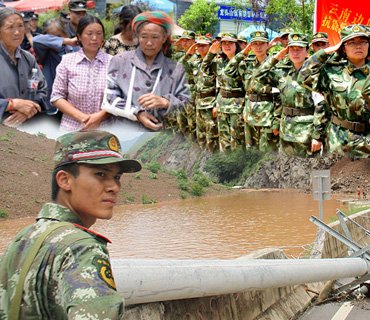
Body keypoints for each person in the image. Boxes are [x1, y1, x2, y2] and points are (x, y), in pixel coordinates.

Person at [0, 130, 142, 319]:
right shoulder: (80, 247)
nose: (114, 187)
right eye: (101, 174)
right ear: (64, 180)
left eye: (117, 177)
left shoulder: (25, 236)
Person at [102, 11, 191, 132]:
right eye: (144, 37)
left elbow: (188, 104)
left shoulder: (176, 68)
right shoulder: (120, 61)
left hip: (162, 138)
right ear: (138, 37)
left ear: (164, 38)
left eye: (155, 37)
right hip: (124, 133)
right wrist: (137, 113)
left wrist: (166, 102)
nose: (149, 43)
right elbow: (108, 99)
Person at [300, 24, 370, 158]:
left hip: (366, 141)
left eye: (363, 41)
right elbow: (304, 75)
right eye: (352, 42)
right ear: (343, 47)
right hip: (337, 140)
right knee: (333, 177)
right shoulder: (331, 72)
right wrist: (328, 51)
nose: (358, 46)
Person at [253, 33, 325, 157]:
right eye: (292, 49)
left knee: (310, 171)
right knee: (286, 171)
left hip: (306, 133)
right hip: (286, 131)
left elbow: (321, 106)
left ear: (307, 51)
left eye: (299, 49)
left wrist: (317, 136)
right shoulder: (281, 73)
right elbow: (258, 76)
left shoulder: (314, 73)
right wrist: (276, 57)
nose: (295, 53)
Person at [51, 15, 112, 131]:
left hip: (104, 128)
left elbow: (118, 97)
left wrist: (99, 117)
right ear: (79, 36)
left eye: (99, 33)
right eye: (89, 34)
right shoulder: (67, 61)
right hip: (72, 128)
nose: (94, 38)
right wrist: (84, 118)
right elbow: (57, 97)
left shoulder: (113, 62)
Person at [224, 30, 278, 152]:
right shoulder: (247, 64)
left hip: (267, 117)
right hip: (249, 115)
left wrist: (277, 121)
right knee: (250, 153)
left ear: (267, 45)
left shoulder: (275, 65)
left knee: (267, 154)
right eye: (255, 44)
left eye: (261, 43)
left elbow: (281, 95)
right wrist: (245, 52)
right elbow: (228, 70)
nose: (258, 47)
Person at [0, 8, 47, 127]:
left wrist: (28, 109)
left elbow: (42, 89)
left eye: (20, 26)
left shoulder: (28, 58)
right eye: (10, 27)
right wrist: (11, 104)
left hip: (27, 127)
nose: (17, 32)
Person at [201, 33, 243, 152]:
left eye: (230, 43)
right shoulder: (219, 62)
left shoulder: (243, 62)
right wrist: (211, 53)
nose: (227, 46)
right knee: (224, 141)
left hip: (238, 106)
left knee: (237, 140)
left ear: (236, 45)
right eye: (224, 43)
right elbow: (204, 69)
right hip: (222, 105)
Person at [33, 18, 78, 115]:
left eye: (58, 36)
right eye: (51, 38)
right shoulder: (45, 52)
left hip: (70, 97)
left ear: (65, 34)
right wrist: (66, 41)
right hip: (51, 97)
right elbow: (36, 40)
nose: (54, 41)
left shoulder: (74, 50)